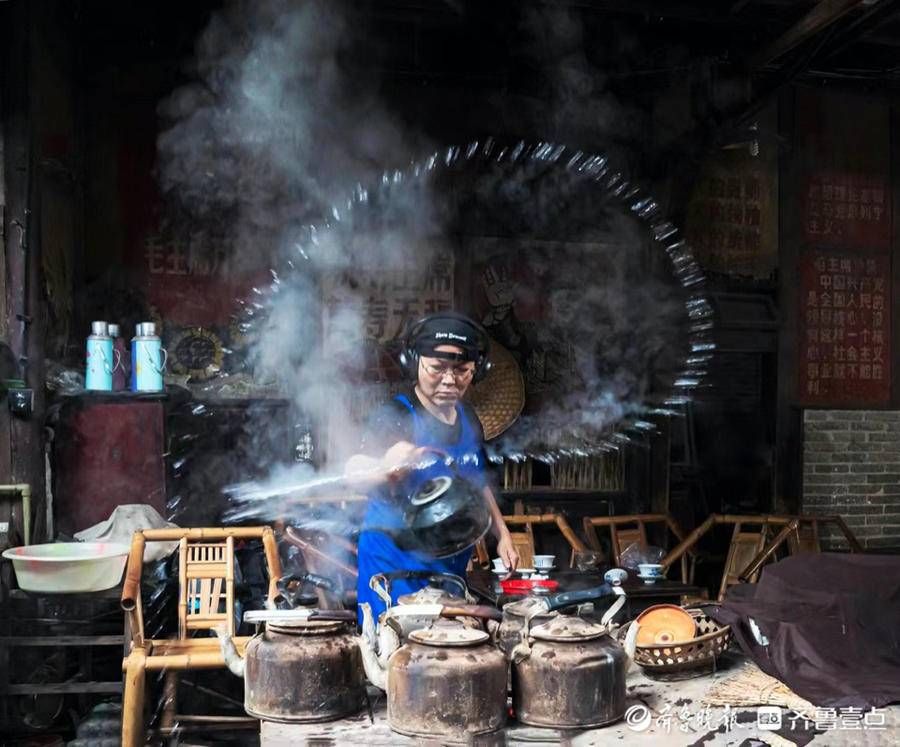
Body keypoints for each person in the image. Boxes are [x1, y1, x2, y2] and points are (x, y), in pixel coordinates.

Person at [345, 312, 520, 622]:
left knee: (448, 657)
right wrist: (387, 467)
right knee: (396, 658)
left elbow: (477, 481)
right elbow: (353, 469)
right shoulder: (394, 415)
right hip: (394, 567)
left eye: (462, 370)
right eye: (437, 368)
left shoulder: (469, 419)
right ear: (415, 364)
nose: (450, 380)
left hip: (448, 566)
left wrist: (502, 533)